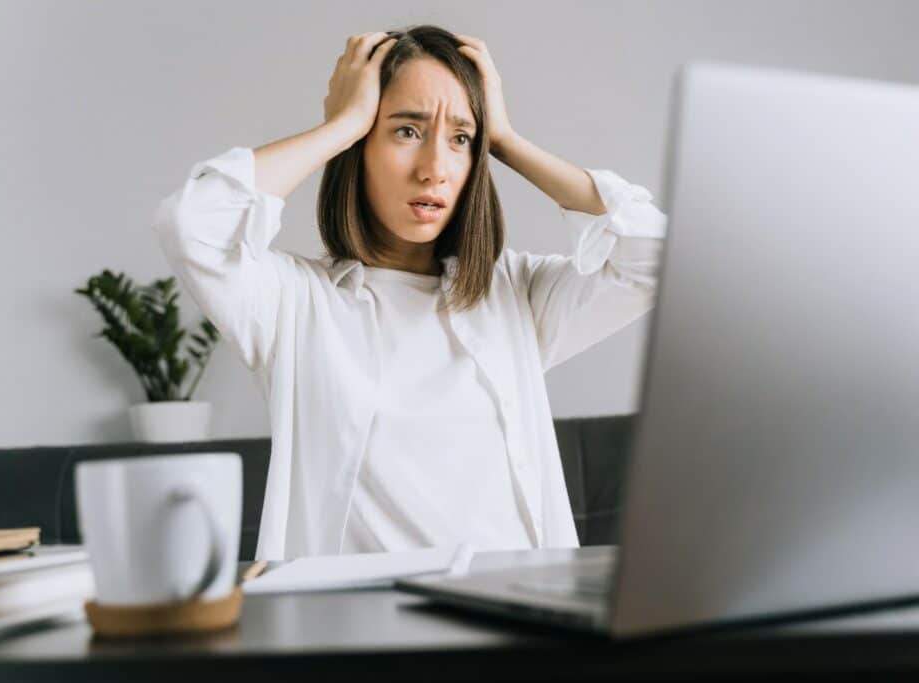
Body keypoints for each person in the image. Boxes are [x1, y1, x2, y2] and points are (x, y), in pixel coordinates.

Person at [152, 25, 667, 560]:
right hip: (367, 629)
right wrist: (342, 124)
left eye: (461, 139)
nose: (435, 170)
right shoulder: (295, 304)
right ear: (360, 147)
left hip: (518, 617)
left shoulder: (514, 296)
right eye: (406, 131)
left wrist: (506, 140)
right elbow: (192, 222)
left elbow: (655, 256)